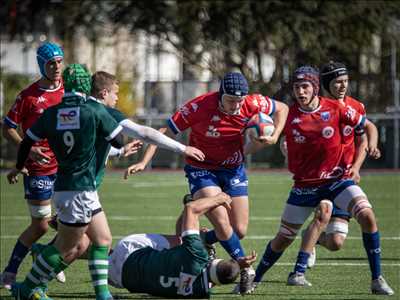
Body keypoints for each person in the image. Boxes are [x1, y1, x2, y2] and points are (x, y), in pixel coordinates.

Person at [125, 72, 289, 294]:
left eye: (240, 101)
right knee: (222, 220)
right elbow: (164, 131)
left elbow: (282, 108)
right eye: (231, 100)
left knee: (238, 230)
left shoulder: (252, 103)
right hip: (202, 170)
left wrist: (275, 135)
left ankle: (201, 237)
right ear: (221, 95)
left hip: (233, 169)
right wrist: (144, 161)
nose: (236, 106)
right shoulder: (200, 106)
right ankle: (245, 269)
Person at [252, 66, 394, 296]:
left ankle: (377, 279)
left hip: (337, 181)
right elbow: (277, 137)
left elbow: (366, 126)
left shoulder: (337, 108)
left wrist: (370, 147)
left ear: (316, 88)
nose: (300, 91)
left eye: (305, 86)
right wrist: (275, 142)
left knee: (367, 216)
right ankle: (254, 280)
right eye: (297, 87)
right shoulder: (289, 115)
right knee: (283, 239)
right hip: (305, 186)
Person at [7, 64, 125, 300]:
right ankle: (25, 289)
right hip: (78, 189)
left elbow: (27, 142)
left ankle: (103, 294)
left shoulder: (51, 113)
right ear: (85, 85)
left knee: (102, 239)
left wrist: (19, 166)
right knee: (67, 246)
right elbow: (119, 141)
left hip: (71, 187)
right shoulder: (93, 110)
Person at [0, 42, 66, 289]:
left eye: (59, 61)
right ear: (42, 65)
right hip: (39, 169)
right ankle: (9, 272)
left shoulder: (68, 91)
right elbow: (7, 127)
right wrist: (29, 149)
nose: (57, 66)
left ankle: (45, 255)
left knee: (74, 223)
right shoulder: (28, 96)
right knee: (40, 224)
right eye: (51, 63)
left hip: (67, 167)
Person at [303, 61, 373, 268]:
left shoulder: (357, 107)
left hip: (345, 178)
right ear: (326, 84)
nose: (343, 86)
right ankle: (302, 260)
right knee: (322, 216)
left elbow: (363, 139)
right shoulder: (316, 106)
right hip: (321, 176)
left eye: (345, 81)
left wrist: (357, 167)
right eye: (337, 82)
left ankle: (313, 238)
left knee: (335, 243)